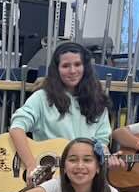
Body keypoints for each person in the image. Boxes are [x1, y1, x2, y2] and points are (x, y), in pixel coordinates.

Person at [7, 41, 111, 179]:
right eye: (66, 66)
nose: (72, 71)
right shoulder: (42, 98)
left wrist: (108, 158)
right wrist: (31, 164)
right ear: (56, 69)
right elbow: (16, 128)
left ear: (86, 67)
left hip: (84, 178)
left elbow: (102, 142)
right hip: (50, 179)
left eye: (77, 64)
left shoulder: (98, 101)